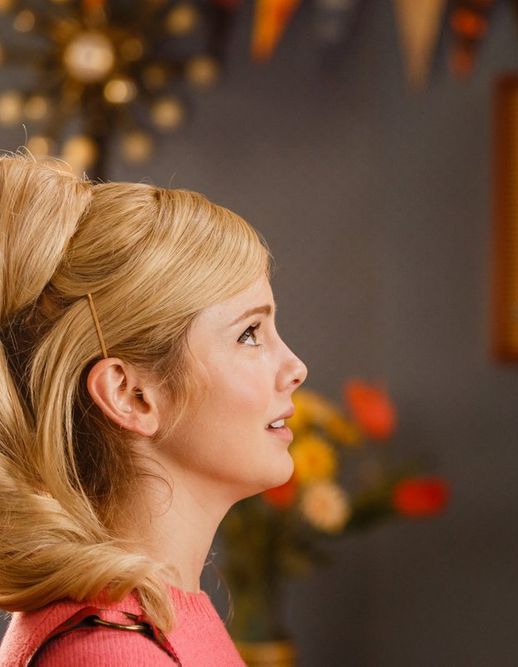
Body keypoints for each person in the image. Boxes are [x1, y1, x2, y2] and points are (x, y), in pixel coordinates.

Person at [0, 154, 307, 665]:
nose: (296, 367)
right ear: (131, 395)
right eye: (250, 334)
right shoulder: (112, 652)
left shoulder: (152, 619)